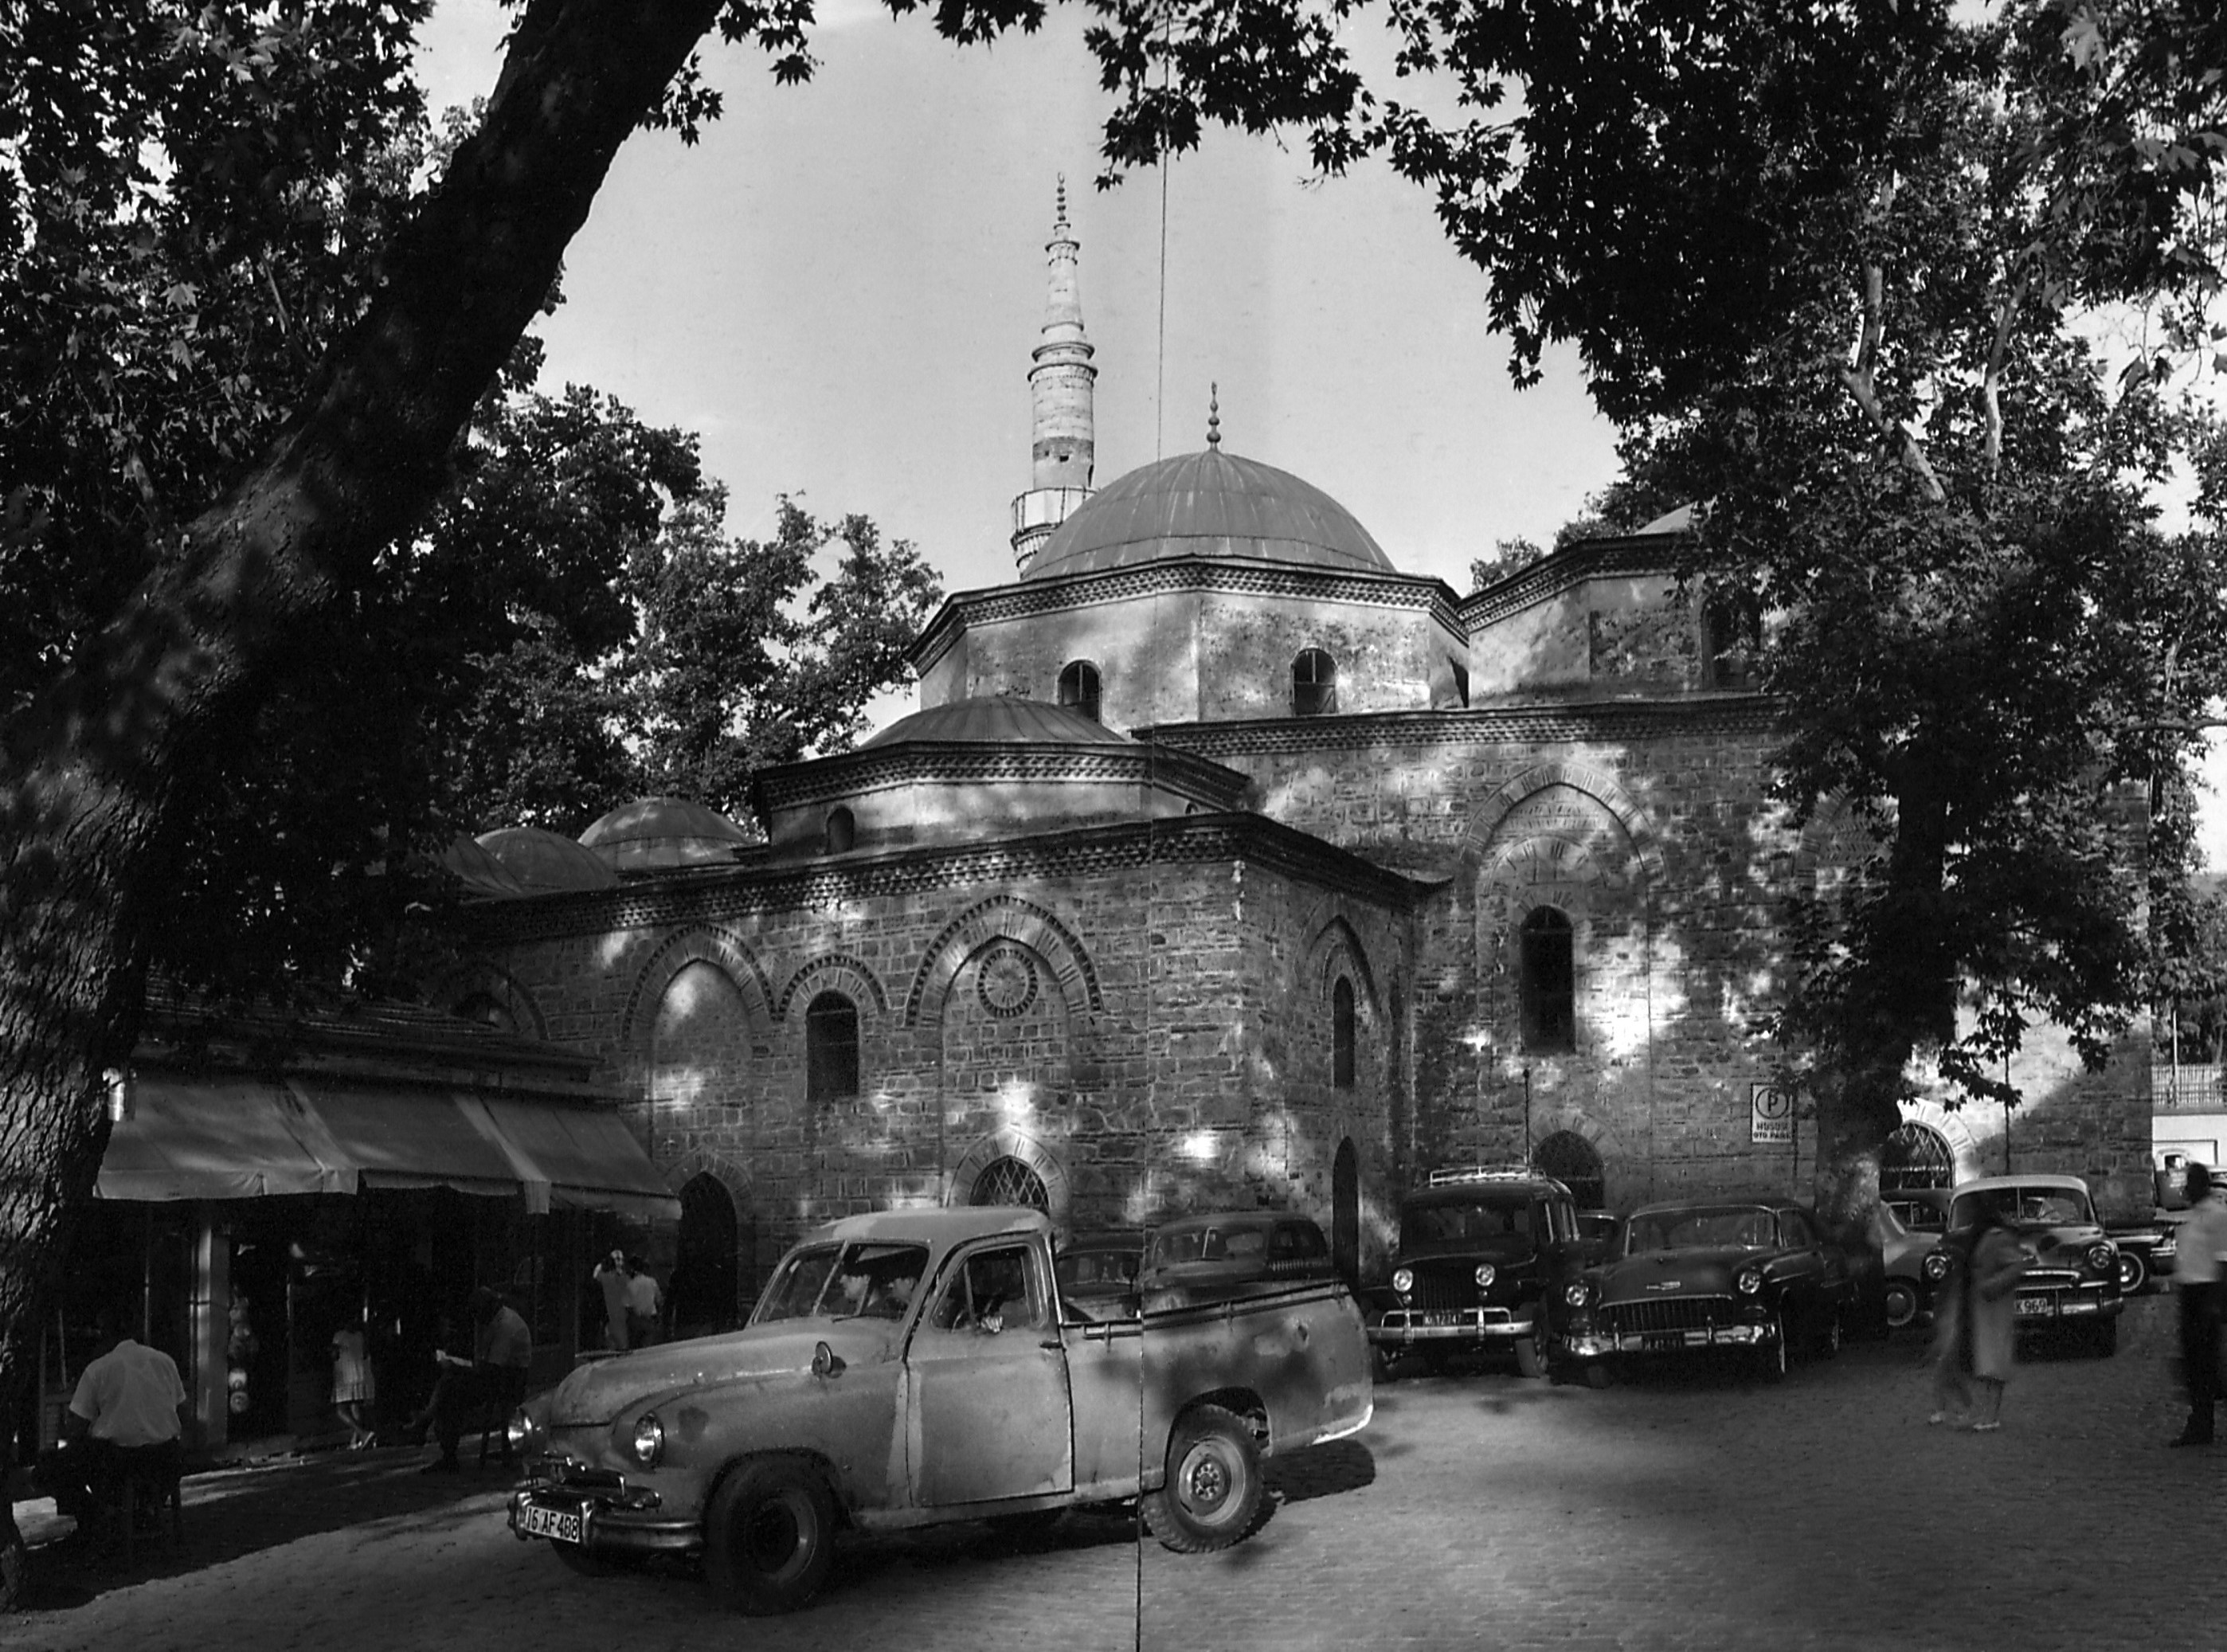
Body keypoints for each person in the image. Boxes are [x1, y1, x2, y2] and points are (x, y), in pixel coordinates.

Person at [47, 1312, 188, 1535]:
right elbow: (183, 1412)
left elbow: (77, 1428)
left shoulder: (99, 1369)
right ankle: (139, 1515)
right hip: (166, 1459)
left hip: (117, 1463)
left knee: (50, 1467)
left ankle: (93, 1521)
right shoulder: (165, 1361)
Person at [1930, 1200, 2026, 1431]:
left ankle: (1988, 1416)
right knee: (1973, 1360)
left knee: (1992, 1364)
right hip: (1979, 1309)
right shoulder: (1985, 1237)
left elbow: (2014, 1267)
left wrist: (1990, 1285)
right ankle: (1973, 1412)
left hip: (1992, 1309)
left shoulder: (1996, 1238)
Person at [420, 1288, 534, 1474]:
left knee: (450, 1387)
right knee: (448, 1384)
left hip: (507, 1383)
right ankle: (433, 1430)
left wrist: (459, 1367)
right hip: (496, 1377)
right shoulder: (495, 1323)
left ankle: (428, 1425)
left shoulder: (506, 1326)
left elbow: (492, 1370)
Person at [2169, 1161, 2227, 1446]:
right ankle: (2198, 1420)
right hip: (2190, 1293)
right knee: (2193, 1362)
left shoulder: (2217, 1216)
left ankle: (2204, 1423)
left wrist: (2215, 1303)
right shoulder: (2193, 1217)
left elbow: (2224, 1260)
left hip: (2206, 1295)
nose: (2185, 1189)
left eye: (2190, 1183)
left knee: (2206, 1363)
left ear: (2201, 1185)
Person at [331, 1317, 376, 1449]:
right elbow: (366, 1354)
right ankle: (356, 1440)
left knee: (341, 1410)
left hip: (345, 1377)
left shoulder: (339, 1336)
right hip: (360, 1375)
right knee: (355, 1407)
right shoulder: (360, 1336)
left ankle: (363, 1433)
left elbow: (334, 1355)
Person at [593, 1250, 632, 1352]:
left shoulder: (607, 1278)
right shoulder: (626, 1279)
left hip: (611, 1319)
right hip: (621, 1320)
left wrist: (603, 1263)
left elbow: (596, 1274)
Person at [624, 1255, 663, 1349]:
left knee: (635, 1350)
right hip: (650, 1320)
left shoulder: (629, 1285)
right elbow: (659, 1301)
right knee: (648, 1351)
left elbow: (627, 1306)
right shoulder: (652, 1282)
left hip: (636, 1321)